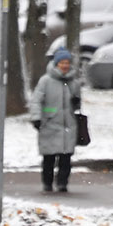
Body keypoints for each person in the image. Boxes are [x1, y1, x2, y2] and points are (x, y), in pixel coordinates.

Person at [28, 48, 88, 193]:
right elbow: (36, 100)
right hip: (49, 124)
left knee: (66, 158)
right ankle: (47, 183)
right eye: (62, 62)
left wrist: (76, 102)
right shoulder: (46, 81)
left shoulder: (73, 82)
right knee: (49, 157)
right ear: (56, 64)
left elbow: (76, 106)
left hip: (69, 125)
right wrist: (36, 118)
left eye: (67, 62)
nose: (65, 65)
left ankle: (62, 183)